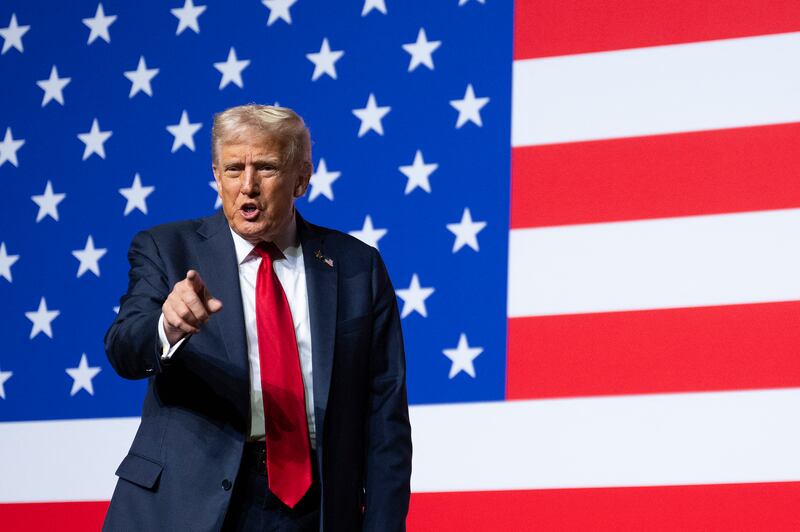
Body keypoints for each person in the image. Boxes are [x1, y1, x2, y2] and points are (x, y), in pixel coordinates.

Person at [103, 104, 412, 531]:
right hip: (187, 505)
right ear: (216, 175)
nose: (247, 186)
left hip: (313, 507)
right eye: (233, 169)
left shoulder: (357, 267)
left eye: (265, 168)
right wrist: (166, 327)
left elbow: (384, 417)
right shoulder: (166, 249)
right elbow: (123, 347)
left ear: (302, 177)